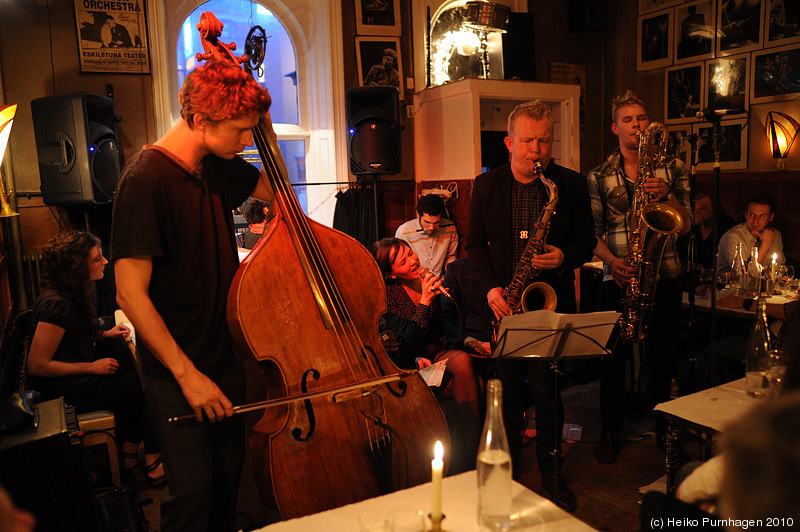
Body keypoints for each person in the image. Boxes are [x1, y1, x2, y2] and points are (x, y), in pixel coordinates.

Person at [111, 59, 274, 531]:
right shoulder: (144, 179)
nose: (247, 142)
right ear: (201, 121)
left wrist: (262, 122)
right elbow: (130, 293)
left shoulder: (216, 165)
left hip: (223, 355)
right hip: (176, 368)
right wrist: (188, 376)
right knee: (195, 497)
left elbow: (274, 187)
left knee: (227, 486)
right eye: (242, 131)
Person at [466, 100, 595, 511]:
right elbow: (473, 247)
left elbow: (587, 241)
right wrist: (491, 291)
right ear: (509, 142)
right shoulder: (485, 186)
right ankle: (507, 472)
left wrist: (564, 256)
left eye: (544, 140)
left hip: (549, 307)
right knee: (504, 394)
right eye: (528, 140)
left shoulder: (569, 185)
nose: (536, 149)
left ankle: (552, 474)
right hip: (504, 306)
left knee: (548, 392)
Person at [587, 90, 691, 465]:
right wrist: (613, 262)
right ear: (616, 128)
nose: (637, 125)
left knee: (664, 359)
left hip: (664, 274)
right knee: (611, 359)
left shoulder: (674, 168)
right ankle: (610, 432)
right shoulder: (598, 176)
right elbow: (591, 234)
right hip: (617, 275)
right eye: (628, 120)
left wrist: (669, 197)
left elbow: (686, 223)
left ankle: (666, 434)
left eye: (642, 118)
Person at [26, 231, 165, 487]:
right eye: (97, 259)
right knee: (143, 385)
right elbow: (37, 365)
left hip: (74, 378)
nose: (105, 262)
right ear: (78, 268)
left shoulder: (68, 295)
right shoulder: (57, 306)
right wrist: (92, 367)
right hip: (61, 391)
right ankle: (137, 459)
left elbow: (72, 334)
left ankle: (130, 453)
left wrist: (104, 333)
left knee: (129, 370)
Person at [372, 237, 481, 475]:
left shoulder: (426, 280)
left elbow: (444, 328)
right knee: (465, 366)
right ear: (391, 273)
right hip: (409, 361)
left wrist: (471, 339)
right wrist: (425, 302)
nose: (413, 260)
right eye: (403, 260)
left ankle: (465, 460)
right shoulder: (389, 297)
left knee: (473, 373)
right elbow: (406, 341)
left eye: (410, 253)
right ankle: (471, 459)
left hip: (434, 351)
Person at [679, 192, 735, 294]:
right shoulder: (690, 231)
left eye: (703, 208)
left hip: (720, 290)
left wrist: (699, 267)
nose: (697, 212)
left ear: (715, 210)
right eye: (695, 209)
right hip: (690, 289)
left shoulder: (727, 231)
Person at [717, 193, 785, 276]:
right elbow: (746, 277)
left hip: (764, 288)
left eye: (762, 216)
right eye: (752, 215)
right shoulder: (732, 237)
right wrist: (766, 243)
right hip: (728, 287)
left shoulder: (775, 235)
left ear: (770, 217)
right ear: (746, 214)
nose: (755, 220)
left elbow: (779, 271)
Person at [395, 193, 458, 278]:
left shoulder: (450, 228)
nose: (431, 227)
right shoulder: (404, 231)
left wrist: (450, 273)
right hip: (415, 284)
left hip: (440, 282)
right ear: (418, 215)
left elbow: (451, 256)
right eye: (427, 222)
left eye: (436, 223)